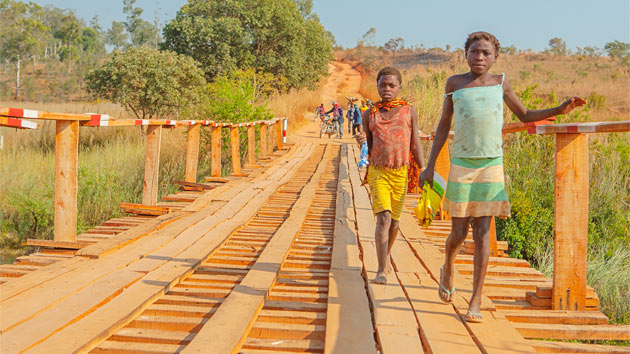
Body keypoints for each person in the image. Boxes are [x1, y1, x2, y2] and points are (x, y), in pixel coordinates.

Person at [418, 31, 586, 323]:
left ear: (495, 57)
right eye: (474, 52)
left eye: (485, 53)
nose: (479, 57)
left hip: (491, 166)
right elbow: (443, 126)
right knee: (459, 233)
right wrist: (429, 166)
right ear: (465, 54)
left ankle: (475, 300)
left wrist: (560, 109)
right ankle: (448, 265)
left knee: (483, 231)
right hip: (461, 165)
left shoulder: (501, 83)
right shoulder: (455, 84)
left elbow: (524, 115)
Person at [362, 66, 426, 284]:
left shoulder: (410, 112)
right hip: (379, 172)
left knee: (395, 223)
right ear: (377, 86)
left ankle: (386, 254)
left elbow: (415, 143)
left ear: (399, 87)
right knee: (383, 219)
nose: (386, 89)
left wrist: (424, 169)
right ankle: (381, 268)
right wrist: (363, 146)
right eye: (382, 84)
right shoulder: (369, 114)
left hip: (401, 173)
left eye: (391, 85)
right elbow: (370, 146)